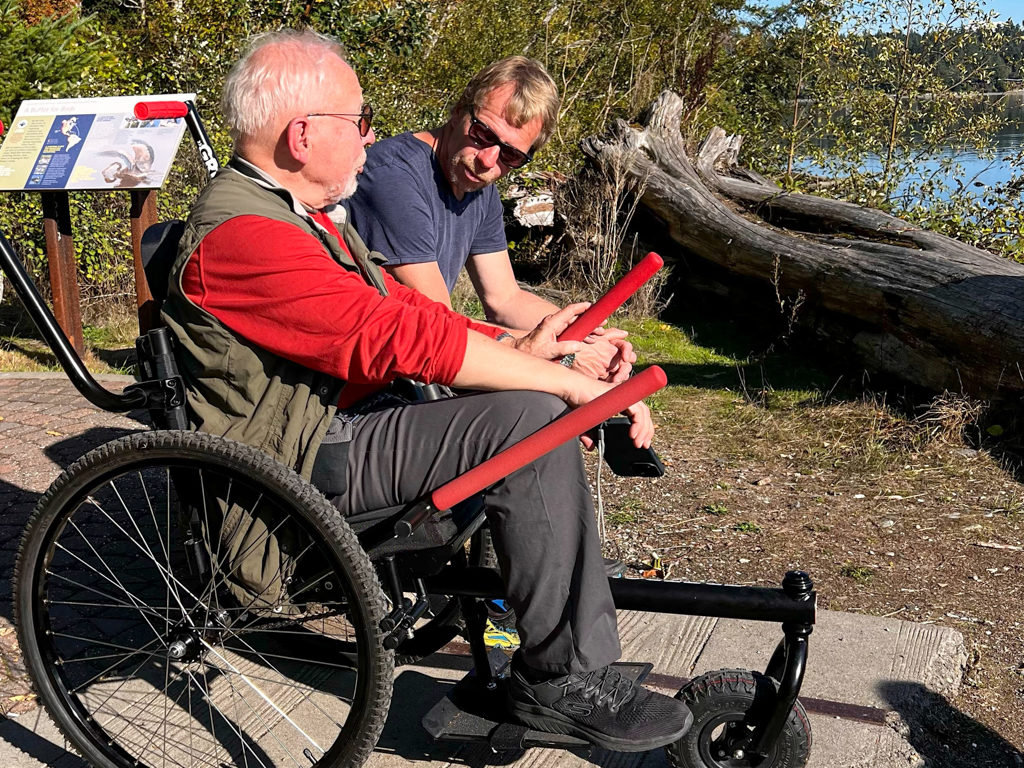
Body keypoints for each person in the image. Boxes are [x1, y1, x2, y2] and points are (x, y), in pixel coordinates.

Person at [160, 28, 691, 752]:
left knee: (531, 403)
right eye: (359, 121)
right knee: (530, 418)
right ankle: (561, 675)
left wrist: (530, 347)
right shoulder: (247, 234)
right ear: (303, 134)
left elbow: (408, 314)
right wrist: (562, 389)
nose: (369, 136)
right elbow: (399, 340)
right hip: (301, 458)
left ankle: (559, 652)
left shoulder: (296, 216)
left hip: (344, 421)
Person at [346, 56, 632, 382]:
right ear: (458, 111)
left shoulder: (478, 190)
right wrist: (564, 356)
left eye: (510, 155)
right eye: (482, 134)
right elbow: (438, 321)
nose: (488, 161)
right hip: (369, 377)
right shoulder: (393, 178)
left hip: (418, 362)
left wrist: (588, 336)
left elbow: (505, 298)